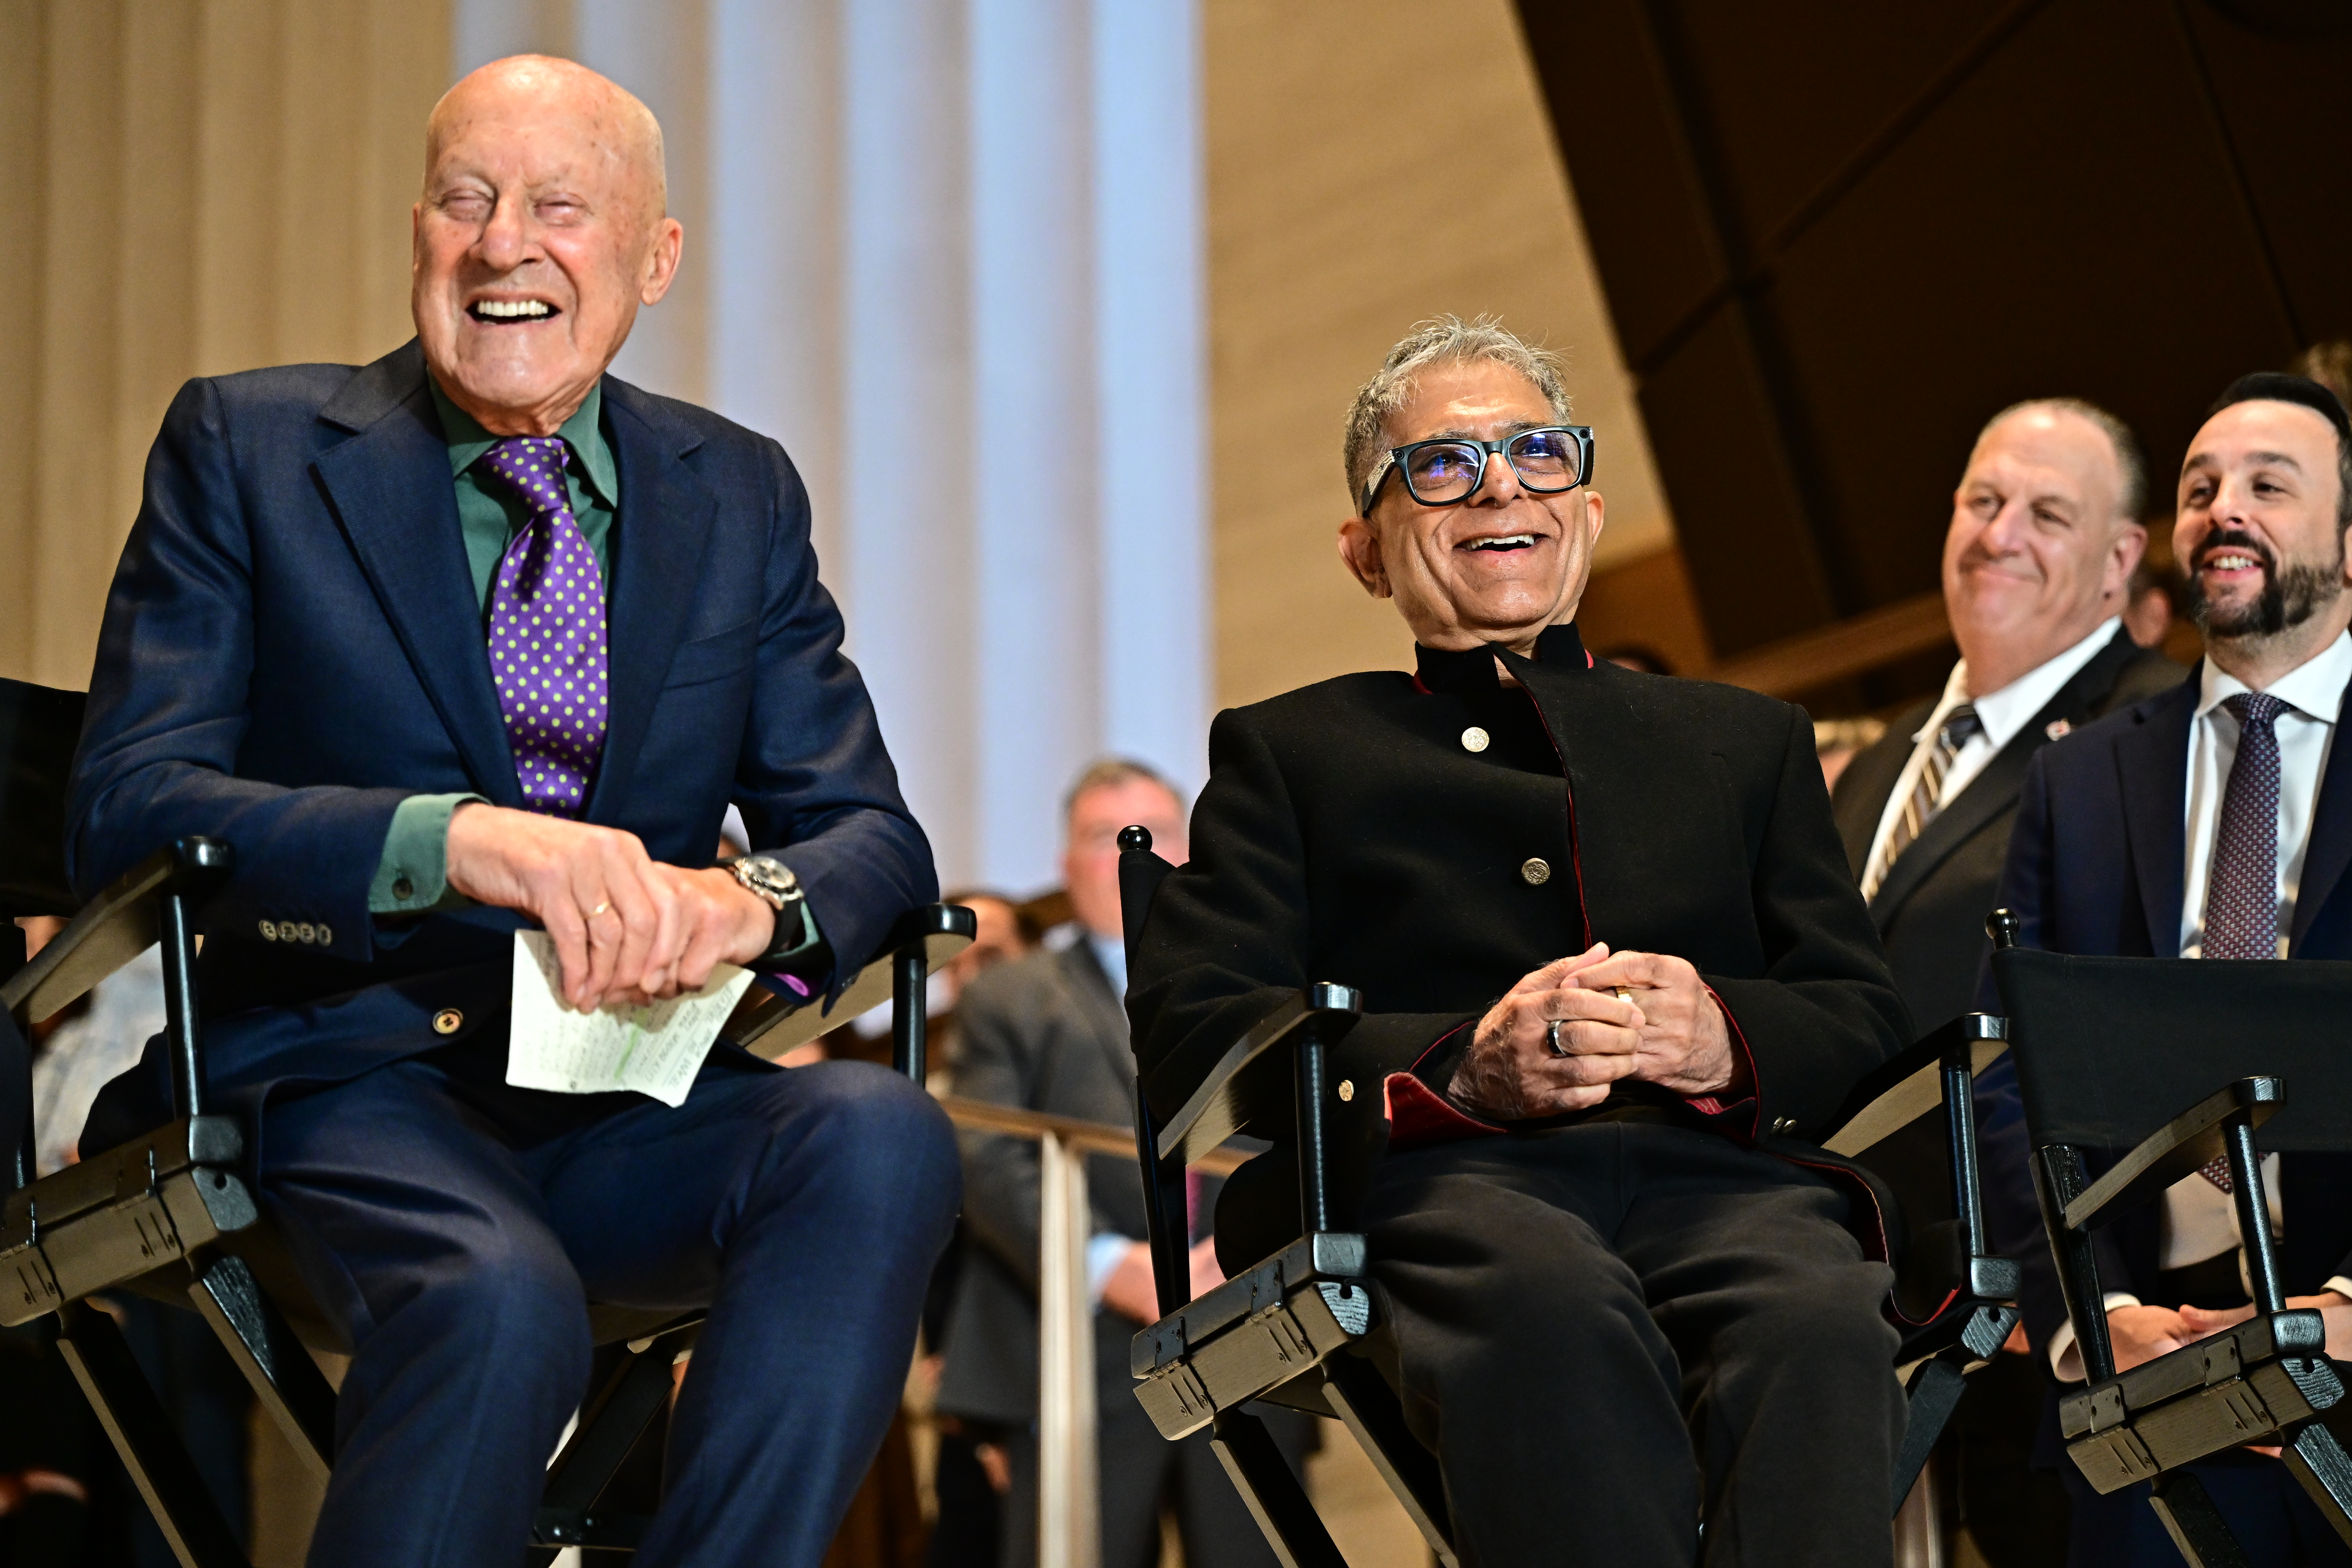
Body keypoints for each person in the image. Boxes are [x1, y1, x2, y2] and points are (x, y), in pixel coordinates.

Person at [68, 56, 956, 1568]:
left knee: (878, 1134)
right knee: (499, 1296)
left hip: (622, 1101)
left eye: (561, 208)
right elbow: (127, 808)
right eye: (465, 203)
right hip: (337, 1078)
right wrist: (449, 838)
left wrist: (753, 908)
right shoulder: (252, 450)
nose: (503, 248)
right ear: (418, 230)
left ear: (655, 258)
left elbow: (873, 837)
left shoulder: (736, 496)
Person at [1128, 315, 1913, 1566]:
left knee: (1817, 1315)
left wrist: (1728, 1033)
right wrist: (1459, 1063)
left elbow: (1863, 1013)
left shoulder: (1741, 738)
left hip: (1723, 1179)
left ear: (1588, 513)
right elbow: (1197, 1032)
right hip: (1441, 1189)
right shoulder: (1289, 752)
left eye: (1538, 453)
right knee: (1545, 1303)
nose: (1501, 485)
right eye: (1440, 465)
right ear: (1364, 552)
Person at [1985, 372, 2352, 1568]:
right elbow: (2009, 1085)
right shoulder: (2077, 784)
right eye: (2200, 489)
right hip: (2152, 1356)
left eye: (2267, 486)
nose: (2221, 509)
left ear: (2350, 543)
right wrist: (2101, 1321)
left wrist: (2346, 1315)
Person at [936, 760, 1310, 1567]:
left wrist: (1245, 1250)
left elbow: (1303, 1133)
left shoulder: (1264, 984)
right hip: (1076, 1343)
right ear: (1067, 866)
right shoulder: (1011, 997)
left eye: (1154, 833)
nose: (1132, 856)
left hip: (1250, 1323)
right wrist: (1107, 1267)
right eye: (1107, 838)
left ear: (1192, 851)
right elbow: (985, 1151)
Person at [1832, 399, 2182, 1037]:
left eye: (2048, 515)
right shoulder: (1878, 761)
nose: (1999, 537)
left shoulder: (2160, 731)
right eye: (1984, 503)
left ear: (2120, 561)